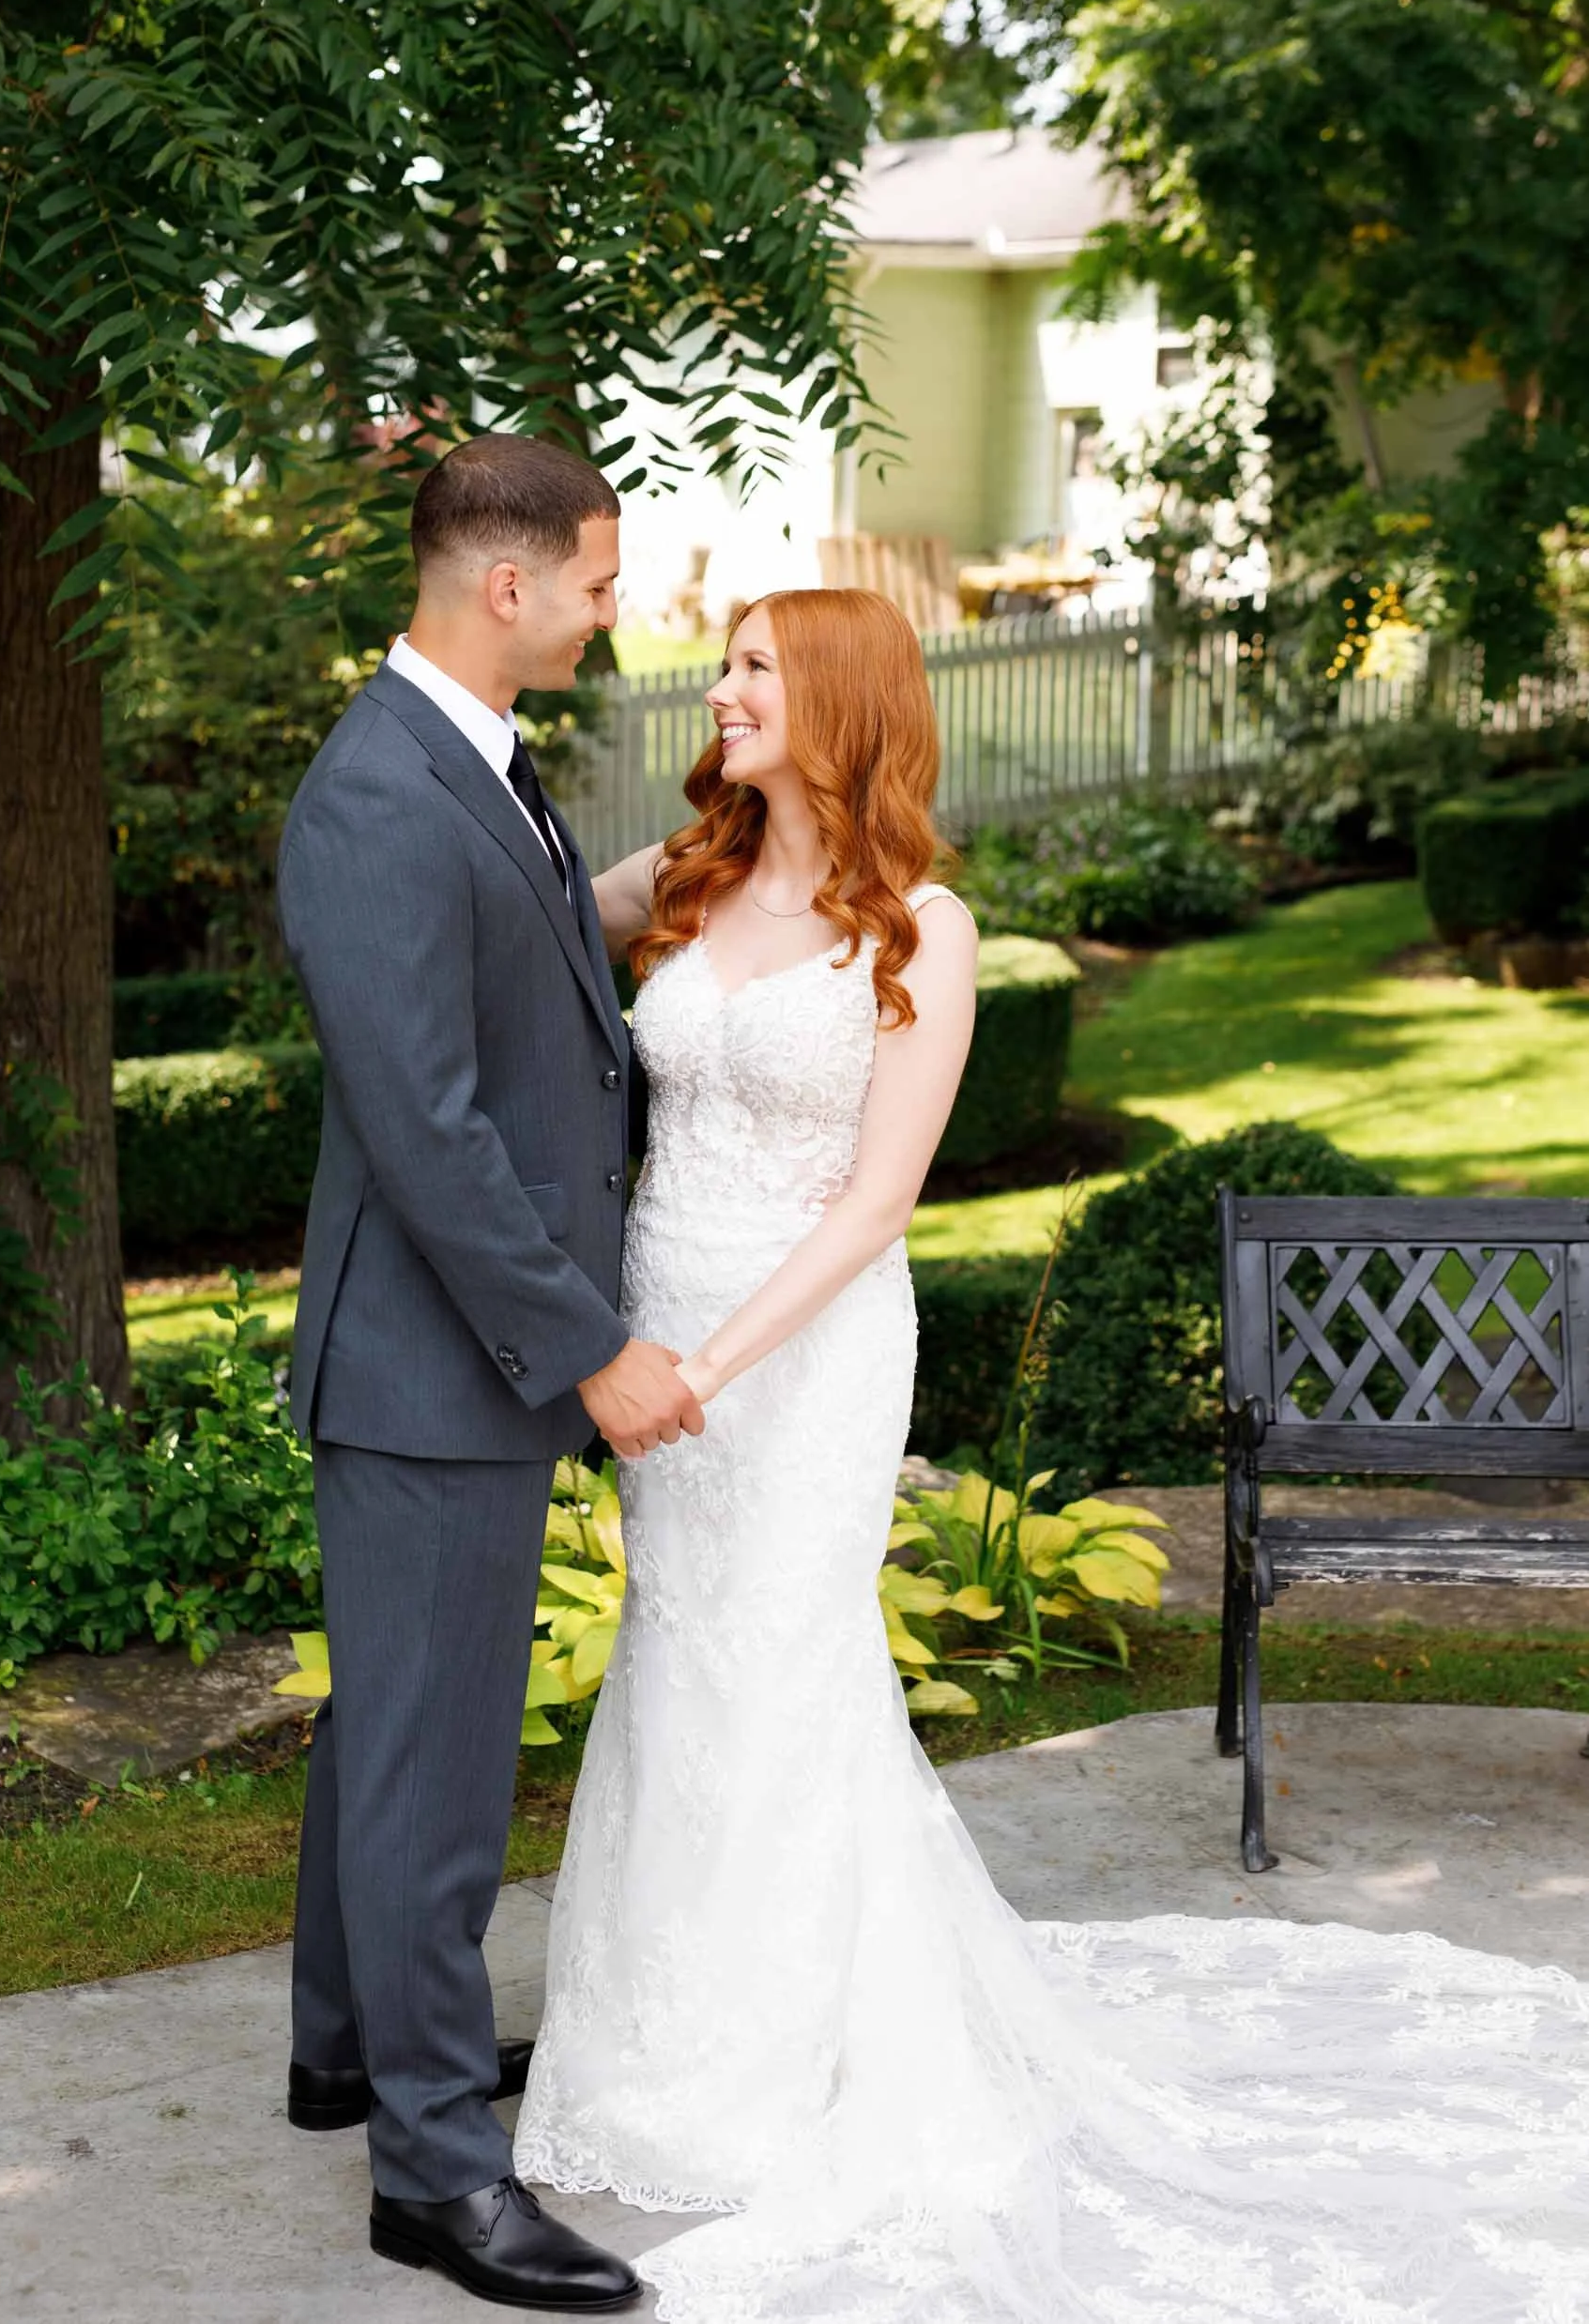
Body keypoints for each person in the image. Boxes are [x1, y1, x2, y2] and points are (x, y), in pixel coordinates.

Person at [512, 587, 1589, 2321]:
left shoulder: (922, 930)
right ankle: (654, 2058)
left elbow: (875, 1205)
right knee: (681, 1670)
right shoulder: (689, 876)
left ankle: (791, 2071)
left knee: (783, 1677)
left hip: (792, 1354)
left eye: (755, 669)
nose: (720, 691)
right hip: (658, 1335)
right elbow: (534, 914)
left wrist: (705, 1360)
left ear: (843, 699)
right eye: (725, 664)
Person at [276, 432, 701, 2313]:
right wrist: (591, 1345)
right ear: (506, 583)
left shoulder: (468, 759)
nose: (616, 614)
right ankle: (436, 2171)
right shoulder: (377, 791)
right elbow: (431, 1135)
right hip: (433, 1369)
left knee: (392, 1720)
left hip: (443, 1364)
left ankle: (344, 2046)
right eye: (602, 582)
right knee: (435, 1769)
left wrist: (603, 909)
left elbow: (494, 997)